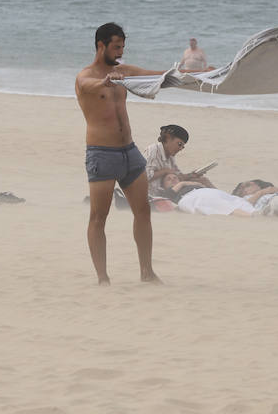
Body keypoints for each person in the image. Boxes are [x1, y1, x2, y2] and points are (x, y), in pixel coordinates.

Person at [76, 22, 208, 285]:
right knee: (99, 217)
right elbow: (88, 85)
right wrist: (104, 81)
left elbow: (159, 75)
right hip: (102, 155)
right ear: (101, 45)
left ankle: (147, 272)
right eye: (116, 47)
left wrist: (204, 74)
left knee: (143, 211)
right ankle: (103, 278)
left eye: (123, 47)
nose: (120, 52)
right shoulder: (86, 76)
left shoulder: (123, 72)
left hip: (130, 153)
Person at [143, 124, 212, 203]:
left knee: (203, 180)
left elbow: (178, 176)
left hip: (167, 193)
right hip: (151, 197)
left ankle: (225, 197)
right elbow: (143, 178)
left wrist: (192, 175)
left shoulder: (170, 156)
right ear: (168, 138)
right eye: (179, 144)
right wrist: (165, 171)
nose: (180, 149)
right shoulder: (153, 150)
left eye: (182, 147)